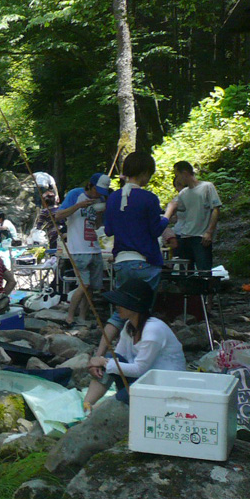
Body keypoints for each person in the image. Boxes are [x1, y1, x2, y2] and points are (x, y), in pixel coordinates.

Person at [99, 151, 173, 358]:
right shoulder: (148, 198)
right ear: (144, 172)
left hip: (122, 262)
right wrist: (168, 213)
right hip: (145, 262)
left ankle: (101, 352)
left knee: (120, 312)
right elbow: (156, 229)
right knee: (142, 313)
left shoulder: (113, 198)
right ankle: (139, 358)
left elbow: (108, 231)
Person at [84, 278, 186, 408]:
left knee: (116, 377)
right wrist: (101, 363)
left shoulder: (153, 330)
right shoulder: (129, 326)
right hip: (144, 378)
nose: (117, 307)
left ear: (135, 307)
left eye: (121, 303)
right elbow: (118, 356)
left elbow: (139, 369)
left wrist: (102, 362)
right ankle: (86, 405)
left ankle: (99, 411)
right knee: (110, 359)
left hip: (164, 385)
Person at [55, 173, 111, 327]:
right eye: (97, 190)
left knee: (92, 287)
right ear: (90, 186)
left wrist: (99, 214)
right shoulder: (76, 194)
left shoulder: (100, 200)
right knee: (84, 285)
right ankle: (70, 316)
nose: (99, 194)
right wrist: (79, 206)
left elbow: (97, 226)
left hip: (94, 248)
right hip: (78, 248)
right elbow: (58, 215)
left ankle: (83, 317)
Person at [165, 160, 221, 273]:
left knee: (203, 270)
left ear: (185, 173)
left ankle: (206, 289)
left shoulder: (207, 187)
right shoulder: (184, 193)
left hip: (200, 236)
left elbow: (215, 209)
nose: (177, 179)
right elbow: (176, 210)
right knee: (186, 271)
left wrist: (209, 232)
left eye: (177, 175)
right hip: (185, 236)